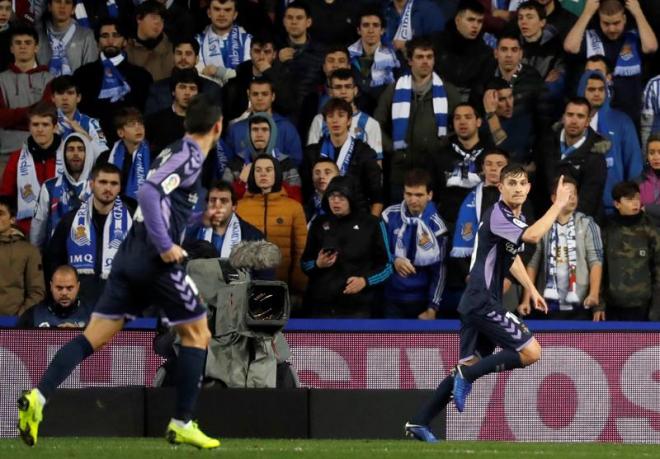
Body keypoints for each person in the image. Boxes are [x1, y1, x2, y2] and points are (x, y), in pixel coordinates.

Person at [17, 94, 224, 449]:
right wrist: (165, 245)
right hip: (152, 259)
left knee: (92, 337)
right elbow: (147, 192)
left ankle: (38, 397)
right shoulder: (189, 156)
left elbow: (165, 202)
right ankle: (182, 421)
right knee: (198, 335)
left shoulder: (176, 152)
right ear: (217, 127)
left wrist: (198, 218)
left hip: (129, 256)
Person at [403, 165, 573, 443]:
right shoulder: (498, 213)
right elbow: (532, 237)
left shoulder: (510, 218)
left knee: (470, 361)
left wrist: (531, 289)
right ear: (500, 188)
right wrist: (559, 205)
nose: (517, 188)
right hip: (483, 300)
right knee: (531, 352)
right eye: (511, 183)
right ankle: (467, 375)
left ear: (529, 187)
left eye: (522, 183)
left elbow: (513, 258)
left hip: (476, 300)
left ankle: (419, 421)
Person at [301, 175, 392, 317]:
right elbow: (305, 263)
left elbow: (387, 267)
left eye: (341, 197)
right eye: (331, 196)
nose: (336, 201)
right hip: (321, 307)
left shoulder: (372, 224)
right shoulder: (319, 223)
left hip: (358, 308)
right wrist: (318, 264)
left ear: (352, 198)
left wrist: (365, 281)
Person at [375, 37, 450, 203]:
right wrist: (394, 150)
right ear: (410, 60)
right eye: (420, 57)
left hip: (433, 172)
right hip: (401, 172)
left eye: (429, 57)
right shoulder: (394, 90)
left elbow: (460, 123)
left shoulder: (447, 91)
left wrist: (441, 146)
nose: (425, 61)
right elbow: (376, 126)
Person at [47, 163, 133, 307]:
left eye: (114, 183)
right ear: (92, 184)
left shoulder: (133, 222)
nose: (108, 188)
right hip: (78, 306)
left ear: (119, 188)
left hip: (119, 304)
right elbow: (53, 261)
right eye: (103, 182)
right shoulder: (70, 220)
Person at [563, 0, 658, 123]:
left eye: (616, 23)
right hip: (594, 114)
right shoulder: (591, 36)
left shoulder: (633, 37)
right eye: (606, 23)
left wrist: (638, 13)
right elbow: (570, 47)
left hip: (629, 114)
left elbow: (651, 46)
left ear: (624, 18)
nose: (612, 28)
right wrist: (587, 13)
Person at [524, 175, 604, 321]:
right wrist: (526, 298)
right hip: (547, 303)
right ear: (554, 198)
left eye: (574, 193)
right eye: (567, 194)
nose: (572, 197)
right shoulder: (542, 226)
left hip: (579, 303)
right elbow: (532, 263)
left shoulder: (588, 225)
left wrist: (593, 294)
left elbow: (596, 262)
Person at [73, 18, 153, 145]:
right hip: (91, 142)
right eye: (105, 36)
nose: (110, 40)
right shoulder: (82, 74)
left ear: (125, 41)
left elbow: (145, 115)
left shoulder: (141, 76)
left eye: (116, 35)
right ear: (97, 41)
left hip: (131, 144)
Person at [236, 154, 308, 294]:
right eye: (258, 170)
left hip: (284, 288)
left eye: (269, 170)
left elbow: (301, 251)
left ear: (277, 173)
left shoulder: (294, 207)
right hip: (246, 290)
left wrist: (298, 289)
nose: (263, 173)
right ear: (252, 174)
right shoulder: (239, 207)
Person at [382, 169, 448, 319]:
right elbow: (377, 251)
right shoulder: (389, 215)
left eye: (419, 195)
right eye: (409, 194)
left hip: (421, 300)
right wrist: (394, 260)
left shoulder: (437, 226)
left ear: (429, 195)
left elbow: (440, 271)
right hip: (390, 297)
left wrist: (433, 307)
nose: (413, 200)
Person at [577, 69, 642, 215]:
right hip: (581, 207)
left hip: (614, 207)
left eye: (601, 89)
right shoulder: (572, 124)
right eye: (592, 89)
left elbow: (634, 165)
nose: (597, 93)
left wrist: (630, 200)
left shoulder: (622, 121)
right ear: (582, 90)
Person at [303, 98, 383, 216]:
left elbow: (377, 196)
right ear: (325, 121)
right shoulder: (312, 153)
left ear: (349, 120)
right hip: (320, 218)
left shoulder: (364, 153)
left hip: (356, 218)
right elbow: (306, 191)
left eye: (341, 115)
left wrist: (370, 226)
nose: (335, 120)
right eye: (330, 116)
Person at [534, 97, 609, 219]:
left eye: (580, 116)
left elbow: (588, 201)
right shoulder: (546, 144)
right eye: (570, 115)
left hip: (580, 224)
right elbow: (538, 190)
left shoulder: (596, 156)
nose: (574, 121)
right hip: (545, 222)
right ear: (563, 117)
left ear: (587, 121)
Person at [0, 102, 62, 236]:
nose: (40, 129)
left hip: (62, 227)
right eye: (35, 125)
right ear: (29, 127)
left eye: (45, 125)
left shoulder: (68, 155)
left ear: (55, 127)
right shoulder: (17, 158)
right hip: (26, 229)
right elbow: (5, 197)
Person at [602, 181, 660, 321]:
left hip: (643, 308)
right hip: (612, 308)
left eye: (637, 198)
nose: (635, 203)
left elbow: (658, 271)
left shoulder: (651, 229)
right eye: (629, 199)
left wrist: (656, 310)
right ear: (617, 204)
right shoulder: (606, 229)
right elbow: (599, 268)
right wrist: (599, 305)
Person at [30, 132, 95, 249]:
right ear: (63, 154)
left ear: (88, 154)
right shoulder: (49, 186)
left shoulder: (98, 185)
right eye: (70, 149)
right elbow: (39, 224)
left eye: (80, 149)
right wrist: (35, 254)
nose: (76, 153)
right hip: (57, 253)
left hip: (89, 253)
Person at [431, 103, 492, 224]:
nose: (462, 122)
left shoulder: (491, 154)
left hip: (484, 223)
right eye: (457, 118)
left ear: (478, 122)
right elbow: (433, 193)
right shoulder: (440, 155)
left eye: (468, 117)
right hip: (449, 223)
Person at [307, 69, 383, 162]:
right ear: (330, 91)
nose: (343, 91)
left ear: (355, 90)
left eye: (348, 86)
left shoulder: (371, 124)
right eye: (338, 87)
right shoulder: (319, 120)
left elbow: (377, 163)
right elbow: (311, 158)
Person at [223, 112, 302, 202]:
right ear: (249, 134)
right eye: (255, 130)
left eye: (264, 130)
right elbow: (224, 199)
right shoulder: (235, 163)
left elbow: (296, 200)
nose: (259, 134)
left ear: (272, 134)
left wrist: (274, 183)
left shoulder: (286, 164)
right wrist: (241, 183)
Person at [224, 77, 302, 167]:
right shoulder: (235, 129)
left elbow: (296, 162)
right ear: (248, 95)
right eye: (255, 94)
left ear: (273, 96)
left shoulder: (287, 128)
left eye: (265, 94)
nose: (259, 98)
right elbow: (228, 164)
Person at [0, 24, 54, 155]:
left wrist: (11, 120)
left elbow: (47, 116)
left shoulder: (50, 79)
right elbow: (1, 118)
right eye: (18, 43)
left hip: (41, 152)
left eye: (28, 42)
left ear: (36, 47)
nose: (23, 46)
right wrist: (32, 113)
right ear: (12, 49)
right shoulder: (1, 79)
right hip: (6, 153)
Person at [430, 0, 494, 104]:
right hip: (435, 102)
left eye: (479, 21)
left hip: (469, 111)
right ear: (458, 20)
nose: (475, 26)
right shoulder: (435, 44)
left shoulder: (486, 54)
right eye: (471, 20)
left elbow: (480, 91)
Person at [220, 33, 294, 122]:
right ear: (250, 52)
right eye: (257, 51)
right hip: (243, 120)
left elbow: (287, 105)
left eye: (267, 52)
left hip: (274, 120)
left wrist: (268, 72)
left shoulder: (282, 71)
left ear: (274, 54)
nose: (261, 56)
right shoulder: (242, 70)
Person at [144, 37, 223, 116]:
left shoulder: (212, 89)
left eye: (188, 54)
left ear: (197, 59)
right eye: (179, 53)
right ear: (173, 57)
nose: (183, 58)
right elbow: (150, 123)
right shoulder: (157, 89)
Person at [184, 180, 263, 257]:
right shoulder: (193, 234)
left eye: (224, 201)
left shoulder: (253, 237)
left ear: (234, 206)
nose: (217, 205)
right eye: (213, 200)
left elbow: (263, 269)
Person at [0, 196, 45, 316]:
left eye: (1, 213)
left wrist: (21, 317)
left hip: (14, 324)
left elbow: (37, 291)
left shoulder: (29, 251)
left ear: (12, 219)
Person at [349, 8, 400, 113]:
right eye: (366, 25)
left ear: (382, 30)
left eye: (375, 25)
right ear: (358, 30)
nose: (371, 30)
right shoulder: (347, 57)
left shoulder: (395, 60)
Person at [97, 107, 151, 201]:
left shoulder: (153, 156)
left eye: (140, 124)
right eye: (132, 125)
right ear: (121, 133)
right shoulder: (106, 158)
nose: (138, 128)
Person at [145, 68, 200, 154]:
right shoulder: (154, 121)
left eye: (192, 88)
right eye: (182, 87)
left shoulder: (206, 123)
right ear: (173, 92)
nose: (187, 92)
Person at [196, 0, 251, 85]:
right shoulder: (198, 41)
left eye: (227, 10)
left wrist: (218, 72)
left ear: (235, 14)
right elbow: (198, 74)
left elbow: (248, 74)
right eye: (217, 9)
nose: (222, 14)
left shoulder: (248, 40)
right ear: (209, 13)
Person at [480, 78, 534, 164]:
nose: (509, 104)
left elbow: (505, 151)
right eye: (501, 99)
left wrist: (491, 115)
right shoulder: (481, 125)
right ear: (488, 101)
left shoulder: (522, 119)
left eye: (510, 97)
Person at [51, 75, 108, 157]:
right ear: (53, 98)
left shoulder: (92, 123)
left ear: (78, 97)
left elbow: (104, 154)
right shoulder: (46, 123)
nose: (64, 98)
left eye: (70, 93)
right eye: (60, 93)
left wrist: (84, 134)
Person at [37, 0, 98, 76]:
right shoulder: (37, 36)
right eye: (58, 1)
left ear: (73, 9)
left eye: (67, 2)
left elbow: (91, 73)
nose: (62, 6)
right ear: (49, 7)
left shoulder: (87, 36)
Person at [18, 265, 91, 328]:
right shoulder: (32, 315)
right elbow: (19, 343)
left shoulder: (92, 315)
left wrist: (78, 334)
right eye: (59, 288)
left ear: (78, 286)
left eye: (69, 288)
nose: (64, 293)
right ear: (51, 286)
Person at [124, 0, 173, 82]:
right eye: (153, 17)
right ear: (139, 18)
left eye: (162, 19)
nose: (158, 22)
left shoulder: (172, 48)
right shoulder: (125, 48)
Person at [304, 158, 339, 223]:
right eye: (317, 173)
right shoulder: (306, 208)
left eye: (327, 173)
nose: (321, 176)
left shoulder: (347, 207)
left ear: (338, 176)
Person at [637, 134, 660, 225]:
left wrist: (646, 208)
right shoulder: (637, 182)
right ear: (647, 156)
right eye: (651, 153)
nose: (656, 157)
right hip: (646, 235)